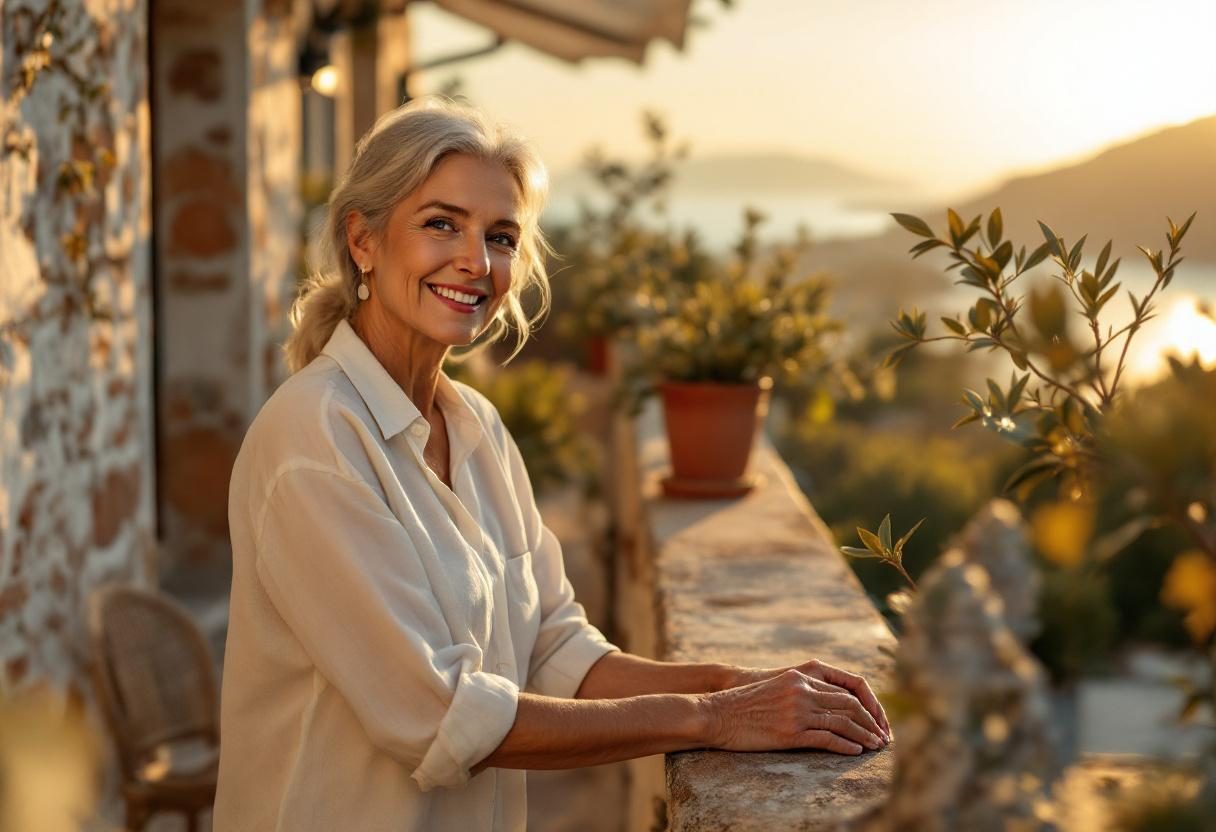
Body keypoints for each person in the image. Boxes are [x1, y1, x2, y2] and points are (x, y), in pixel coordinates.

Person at [214, 98, 890, 832]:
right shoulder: (313, 440)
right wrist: (713, 718)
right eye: (442, 223)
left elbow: (554, 648)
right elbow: (441, 717)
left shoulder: (476, 426)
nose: (476, 261)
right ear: (363, 241)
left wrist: (743, 683)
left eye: (500, 237)